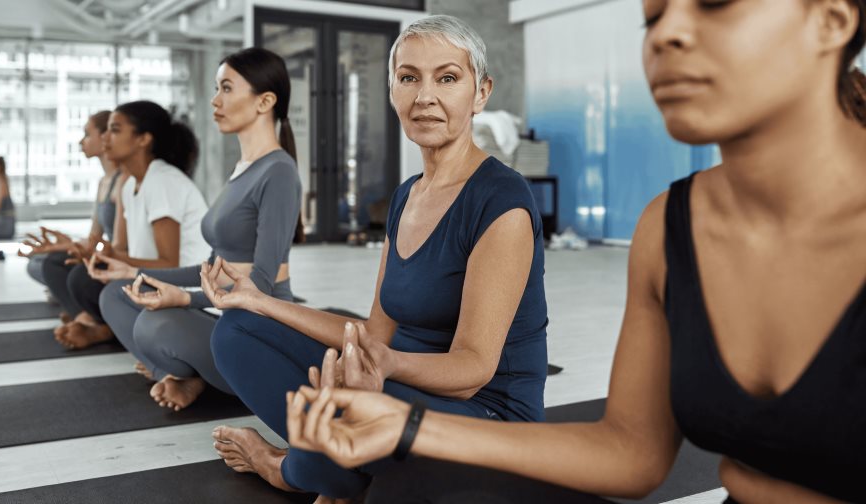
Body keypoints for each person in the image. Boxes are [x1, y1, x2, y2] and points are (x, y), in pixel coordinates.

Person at [286, 1, 866, 503]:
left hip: (488, 397)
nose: (666, 35)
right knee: (405, 487)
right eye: (652, 17)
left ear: (832, 19)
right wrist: (406, 427)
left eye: (714, 3)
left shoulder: (501, 196)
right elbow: (633, 452)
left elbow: (471, 365)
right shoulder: (669, 225)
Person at [202, 14, 548, 502]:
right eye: (408, 78)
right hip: (399, 388)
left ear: (481, 92)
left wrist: (382, 366)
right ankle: (338, 468)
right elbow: (373, 334)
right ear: (392, 92)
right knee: (236, 330)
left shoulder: (502, 200)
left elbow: (472, 372)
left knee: (339, 415)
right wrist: (258, 301)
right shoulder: (406, 197)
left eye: (447, 78)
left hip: (488, 419)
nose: (424, 96)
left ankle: (284, 467)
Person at [97, 47, 303, 411]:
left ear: (264, 101)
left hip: (259, 330)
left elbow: (263, 286)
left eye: (226, 88)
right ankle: (184, 375)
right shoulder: (243, 168)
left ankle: (186, 373)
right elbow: (208, 269)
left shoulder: (279, 172)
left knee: (155, 324)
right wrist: (134, 271)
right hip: (227, 314)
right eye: (216, 88)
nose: (215, 100)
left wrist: (186, 299)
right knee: (117, 293)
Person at [54, 101, 210, 349]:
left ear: (143, 139)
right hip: (154, 278)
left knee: (107, 292)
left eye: (115, 130)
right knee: (84, 276)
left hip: (184, 289)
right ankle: (114, 329)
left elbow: (170, 264)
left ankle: (137, 341)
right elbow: (130, 254)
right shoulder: (130, 185)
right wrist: (98, 255)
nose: (105, 137)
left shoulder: (162, 181)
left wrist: (110, 257)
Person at [21, 111, 123, 318]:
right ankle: (78, 308)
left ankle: (83, 316)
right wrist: (65, 246)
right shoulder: (104, 182)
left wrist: (84, 253)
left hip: (120, 258)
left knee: (56, 267)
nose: (80, 142)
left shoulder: (124, 181)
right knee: (38, 263)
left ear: (106, 136)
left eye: (87, 134)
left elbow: (118, 247)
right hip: (108, 254)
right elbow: (95, 238)